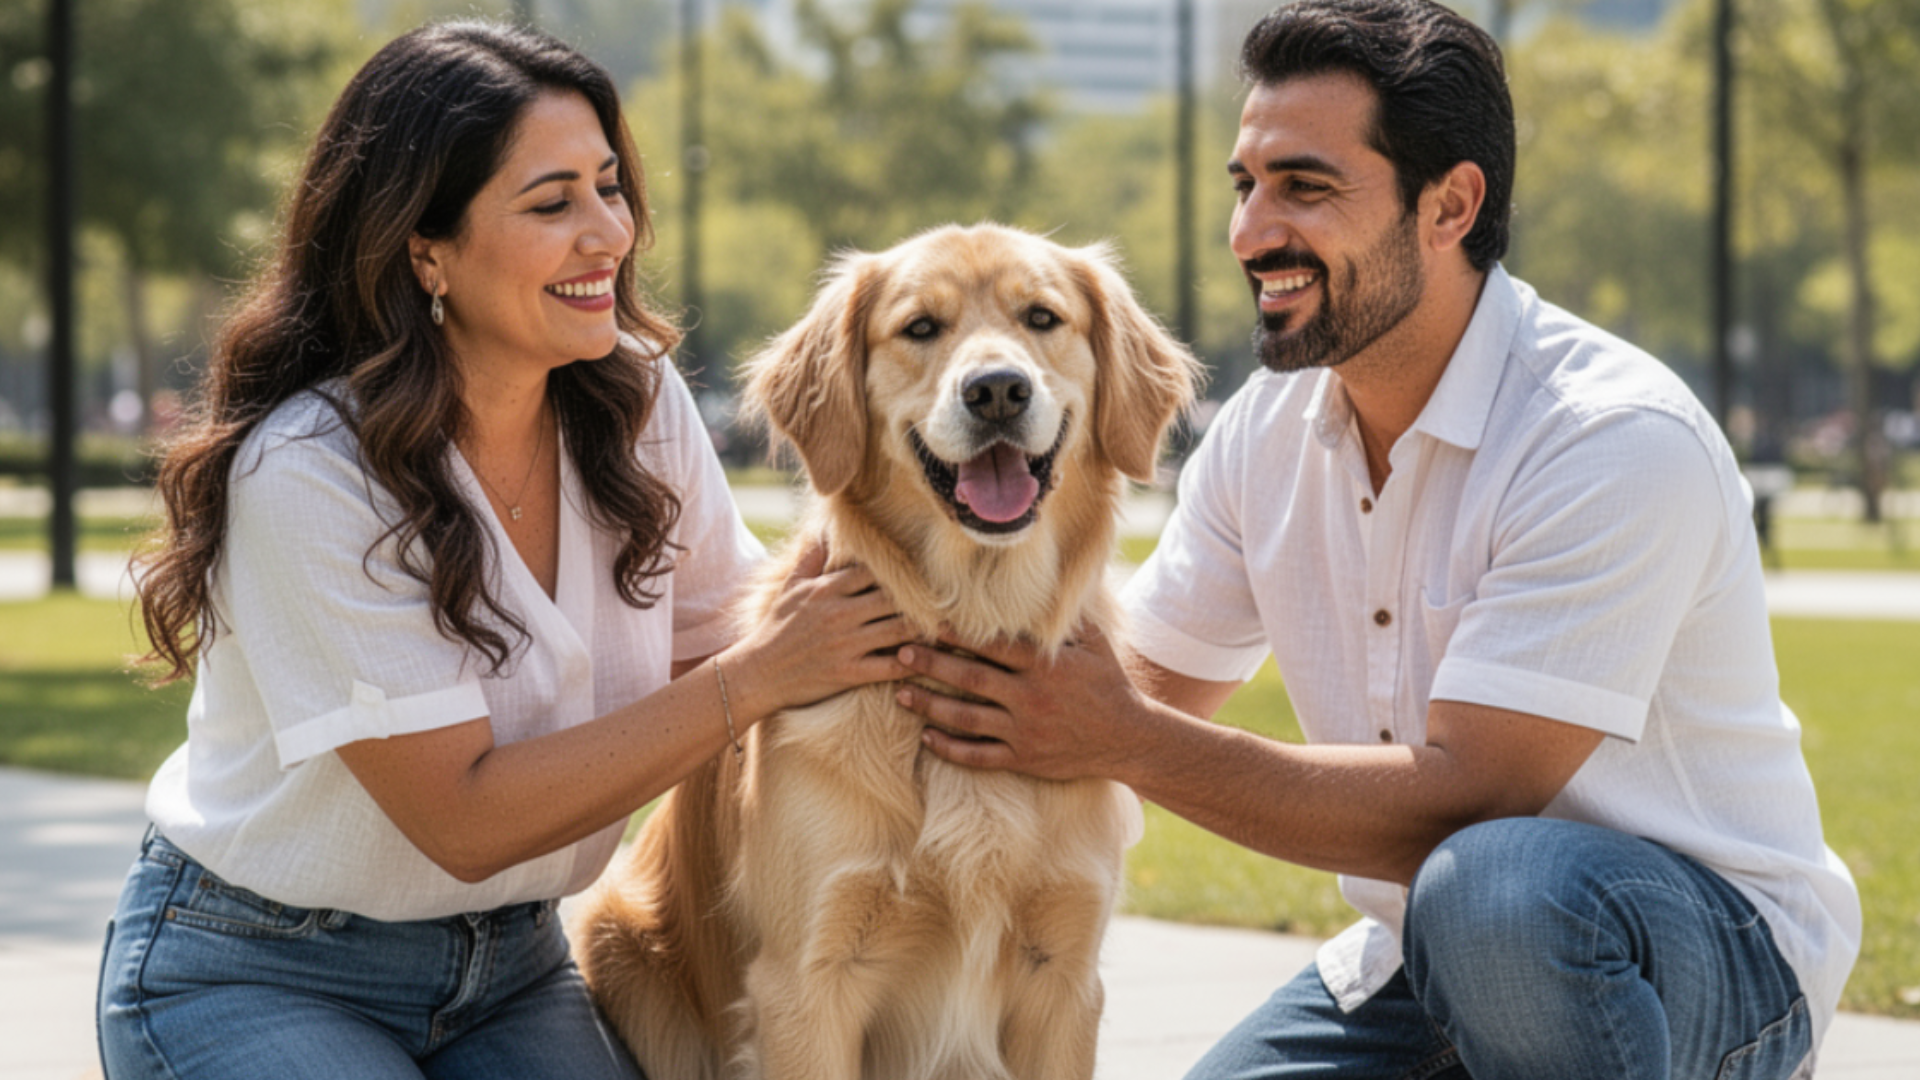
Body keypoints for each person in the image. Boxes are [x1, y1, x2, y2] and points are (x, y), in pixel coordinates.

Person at [896, 1, 1861, 1077]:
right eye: (1246, 186)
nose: (1253, 232)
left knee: (1492, 890)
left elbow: (1471, 800)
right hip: (1424, 958)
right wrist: (831, 661)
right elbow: (1121, 689)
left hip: (1704, 960)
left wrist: (1116, 736)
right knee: (1470, 915)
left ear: (1449, 205)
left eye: (1304, 187)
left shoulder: (1607, 438)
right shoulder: (1268, 431)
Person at [98, 20, 913, 1080]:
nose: (609, 235)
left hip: (514, 967)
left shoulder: (637, 400)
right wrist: (762, 676)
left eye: (610, 187)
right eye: (552, 202)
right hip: (257, 968)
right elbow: (467, 820)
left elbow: (735, 635)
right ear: (423, 248)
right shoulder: (308, 471)